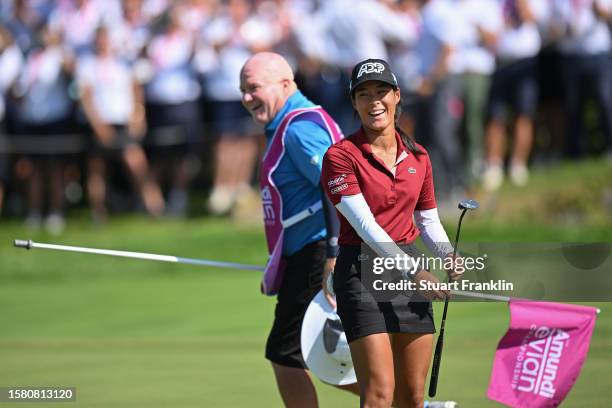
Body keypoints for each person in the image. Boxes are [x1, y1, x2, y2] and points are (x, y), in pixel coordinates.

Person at [321, 59, 461, 407]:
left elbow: (428, 220)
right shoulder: (341, 156)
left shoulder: (419, 156)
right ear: (354, 103)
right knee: (380, 394)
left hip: (408, 265)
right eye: (364, 94)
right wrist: (416, 272)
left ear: (397, 96)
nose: (374, 101)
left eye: (381, 91)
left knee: (411, 397)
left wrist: (448, 256)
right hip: (361, 273)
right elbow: (366, 227)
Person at [239, 52, 355, 407]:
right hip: (313, 251)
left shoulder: (298, 128)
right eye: (243, 90)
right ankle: (410, 402)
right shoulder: (289, 124)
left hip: (319, 250)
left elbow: (337, 187)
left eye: (254, 88)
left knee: (287, 351)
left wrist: (334, 254)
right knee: (318, 352)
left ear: (286, 84)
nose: (247, 98)